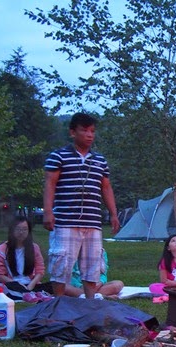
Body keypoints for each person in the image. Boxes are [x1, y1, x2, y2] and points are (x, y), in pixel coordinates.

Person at [43, 112, 120, 299]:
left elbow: (106, 187)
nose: (89, 135)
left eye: (92, 131)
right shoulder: (58, 156)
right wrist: (48, 211)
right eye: (84, 130)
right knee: (61, 264)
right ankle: (59, 304)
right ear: (72, 132)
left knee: (92, 266)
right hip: (66, 221)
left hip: (92, 222)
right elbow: (50, 183)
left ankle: (90, 304)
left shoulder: (100, 161)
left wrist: (113, 214)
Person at [0, 216, 53, 303]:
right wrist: (18, 285)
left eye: (25, 229)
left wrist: (31, 286)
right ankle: (33, 294)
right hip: (11, 284)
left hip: (31, 284)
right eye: (18, 229)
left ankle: (31, 294)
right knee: (5, 289)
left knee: (54, 285)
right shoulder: (1, 250)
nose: (21, 232)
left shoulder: (34, 248)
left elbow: (40, 271)